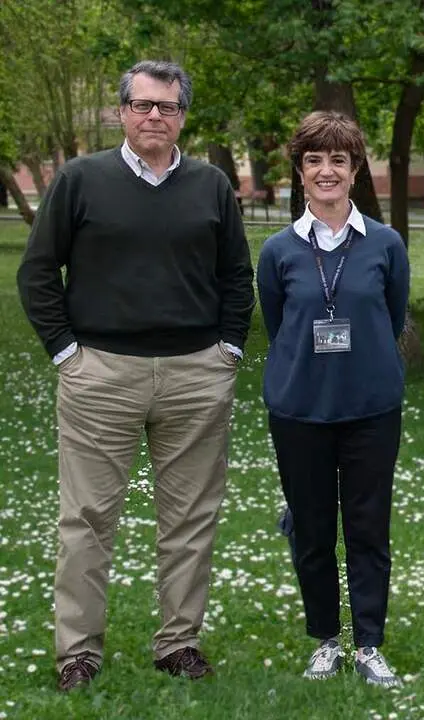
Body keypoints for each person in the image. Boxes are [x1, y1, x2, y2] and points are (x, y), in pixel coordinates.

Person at [15, 60, 255, 691]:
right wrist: (67, 353)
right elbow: (38, 272)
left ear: (182, 117)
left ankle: (178, 643)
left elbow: (236, 276)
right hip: (102, 374)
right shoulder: (80, 180)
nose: (155, 116)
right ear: (122, 110)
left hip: (196, 375)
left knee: (191, 518)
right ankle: (78, 653)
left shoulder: (210, 185)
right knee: (88, 518)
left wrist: (228, 350)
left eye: (168, 107)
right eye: (143, 104)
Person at [257, 111, 410, 687]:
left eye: (338, 160)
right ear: (300, 171)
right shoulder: (278, 250)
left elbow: (392, 317)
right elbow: (278, 324)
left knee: (369, 529)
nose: (327, 171)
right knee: (314, 530)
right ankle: (326, 638)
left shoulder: (386, 245)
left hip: (371, 409)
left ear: (355, 169)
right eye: (314, 160)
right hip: (299, 411)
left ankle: (369, 642)